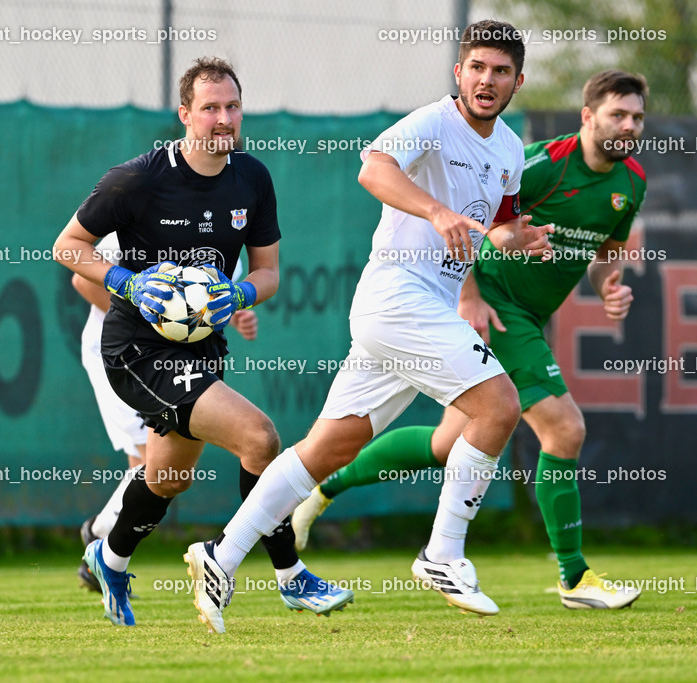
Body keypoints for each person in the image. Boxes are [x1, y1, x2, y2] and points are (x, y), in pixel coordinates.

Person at [185, 20, 557, 634]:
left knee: (328, 448)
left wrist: (518, 239)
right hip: (398, 297)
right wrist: (436, 210)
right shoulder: (434, 121)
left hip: (417, 309)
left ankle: (221, 557)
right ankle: (443, 553)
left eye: (500, 71)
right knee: (499, 406)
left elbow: (500, 227)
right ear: (457, 73)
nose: (487, 81)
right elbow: (372, 169)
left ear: (519, 80)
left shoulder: (511, 150)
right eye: (476, 68)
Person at [292, 69, 648, 610]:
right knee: (565, 428)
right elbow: (484, 213)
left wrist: (610, 288)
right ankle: (574, 578)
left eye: (637, 118)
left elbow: (606, 257)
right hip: (501, 311)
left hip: (531, 314)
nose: (628, 126)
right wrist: (469, 294)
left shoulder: (631, 183)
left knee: (444, 444)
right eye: (616, 115)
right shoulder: (545, 162)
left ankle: (323, 489)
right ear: (587, 117)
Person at [53, 56, 354, 627]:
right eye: (210, 108)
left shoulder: (252, 177)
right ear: (185, 115)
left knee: (168, 475)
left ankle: (109, 556)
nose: (223, 119)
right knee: (260, 438)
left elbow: (268, 273)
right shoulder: (138, 178)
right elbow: (68, 247)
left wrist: (237, 296)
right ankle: (291, 577)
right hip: (134, 350)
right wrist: (127, 281)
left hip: (200, 348)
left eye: (232, 107)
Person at [72, 233, 258, 593]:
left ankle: (102, 545)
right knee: (149, 462)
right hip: (118, 353)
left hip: (173, 362)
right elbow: (82, 279)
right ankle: (100, 540)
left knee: (166, 472)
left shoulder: (226, 230)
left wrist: (234, 317)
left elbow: (198, 302)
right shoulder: (142, 212)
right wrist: (150, 322)